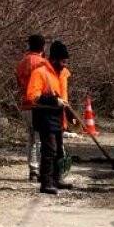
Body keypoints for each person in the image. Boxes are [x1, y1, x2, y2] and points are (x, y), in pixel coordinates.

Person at [25, 40, 76, 195]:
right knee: (49, 150)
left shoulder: (62, 74)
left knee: (59, 150)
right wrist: (54, 101)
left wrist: (69, 113)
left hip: (58, 115)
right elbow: (32, 97)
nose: (65, 64)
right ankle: (46, 183)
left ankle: (56, 179)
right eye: (62, 61)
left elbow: (64, 97)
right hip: (44, 115)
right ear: (53, 59)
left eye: (66, 61)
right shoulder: (40, 73)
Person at [15, 34, 48, 183]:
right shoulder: (42, 63)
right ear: (43, 46)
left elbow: (18, 83)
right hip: (39, 104)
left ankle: (33, 170)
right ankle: (41, 170)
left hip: (25, 104)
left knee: (31, 138)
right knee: (40, 139)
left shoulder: (22, 62)